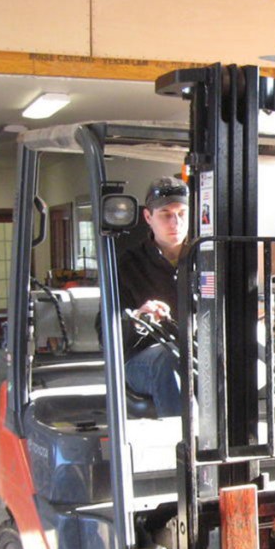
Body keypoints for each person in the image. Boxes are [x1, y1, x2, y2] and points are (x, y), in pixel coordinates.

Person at [116, 176, 190, 417]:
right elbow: (105, 333)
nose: (175, 222)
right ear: (148, 217)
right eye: (166, 214)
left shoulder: (208, 259)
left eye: (181, 213)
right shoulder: (128, 265)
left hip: (197, 350)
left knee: (263, 360)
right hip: (144, 359)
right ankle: (182, 446)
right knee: (169, 358)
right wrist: (138, 319)